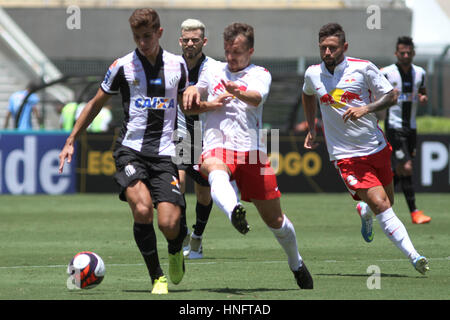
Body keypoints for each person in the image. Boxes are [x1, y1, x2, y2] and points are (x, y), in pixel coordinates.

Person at [58, 8, 188, 295]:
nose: (143, 42)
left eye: (148, 36)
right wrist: (71, 139)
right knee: (142, 209)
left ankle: (177, 246)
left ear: (159, 33)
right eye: (137, 37)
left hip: (166, 152)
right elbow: (94, 103)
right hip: (130, 150)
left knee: (169, 223)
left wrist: (189, 151)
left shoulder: (178, 66)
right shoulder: (123, 66)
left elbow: (187, 111)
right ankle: (157, 277)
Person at [183, 22, 313, 289]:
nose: (231, 57)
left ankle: (296, 263)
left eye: (238, 52)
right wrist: (193, 90)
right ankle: (234, 212)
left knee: (276, 222)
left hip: (252, 153)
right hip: (217, 145)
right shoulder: (212, 68)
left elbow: (256, 98)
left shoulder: (260, 73)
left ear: (250, 51)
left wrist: (235, 91)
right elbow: (199, 91)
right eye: (228, 51)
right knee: (215, 169)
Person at [302, 23, 429, 275]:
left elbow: (391, 95)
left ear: (344, 47)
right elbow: (307, 95)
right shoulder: (312, 73)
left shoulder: (363, 67)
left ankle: (364, 210)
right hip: (346, 156)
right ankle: (415, 256)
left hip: (376, 146)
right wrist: (311, 127)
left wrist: (366, 109)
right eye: (323, 47)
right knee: (383, 204)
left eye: (333, 47)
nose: (327, 52)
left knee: (387, 202)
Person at [175, 18, 215, 260]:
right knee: (175, 186)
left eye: (195, 40)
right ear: (180, 40)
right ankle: (182, 232)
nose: (190, 43)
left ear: (204, 41)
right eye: (186, 39)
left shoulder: (213, 68)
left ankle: (197, 238)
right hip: (179, 133)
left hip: (205, 134)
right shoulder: (172, 65)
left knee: (203, 193)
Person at [381, 36, 431, 224]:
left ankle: (378, 204)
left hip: (412, 128)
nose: (405, 55)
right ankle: (414, 212)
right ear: (396, 53)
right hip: (394, 127)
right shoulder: (386, 73)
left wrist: (423, 98)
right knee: (407, 167)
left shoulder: (420, 73)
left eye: (409, 52)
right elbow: (374, 95)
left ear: (413, 53)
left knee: (399, 170)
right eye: (402, 52)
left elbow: (423, 93)